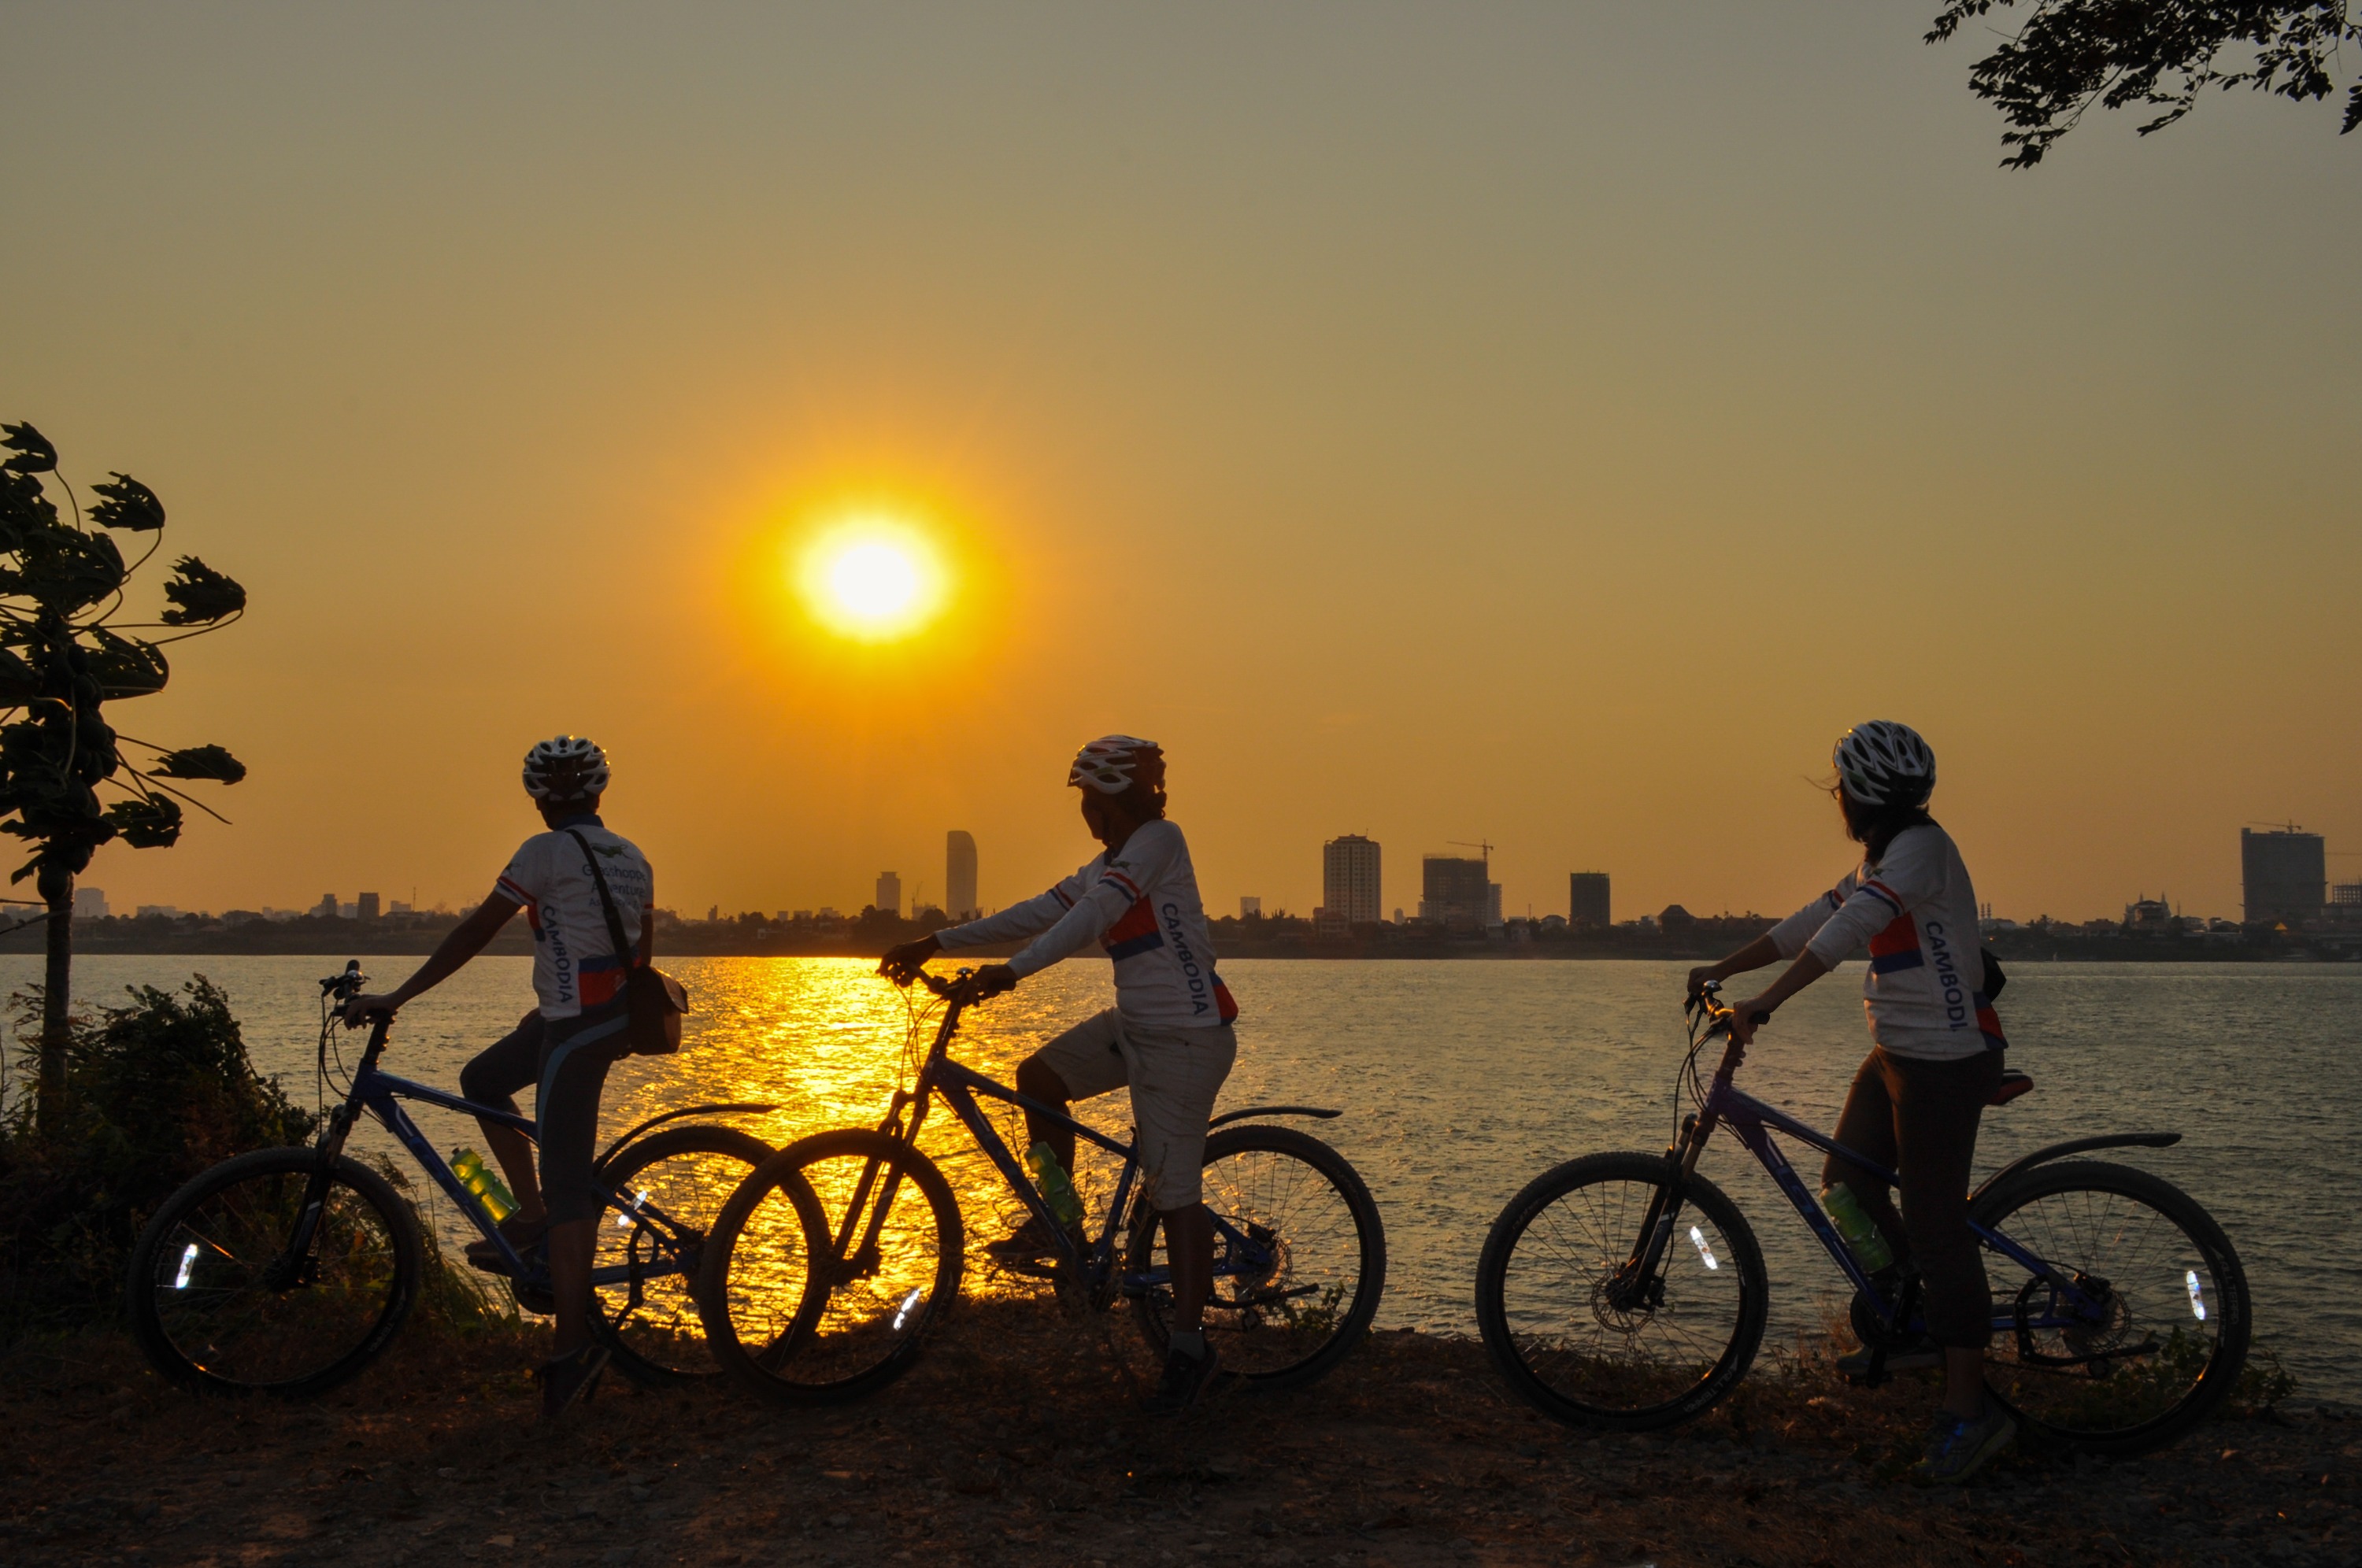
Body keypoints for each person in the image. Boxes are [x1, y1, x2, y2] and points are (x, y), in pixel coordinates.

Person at [1686, 719, 2014, 1485]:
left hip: (1944, 1060)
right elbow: (1813, 921)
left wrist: (1764, 1003)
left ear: (1859, 794)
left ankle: (1973, 1413)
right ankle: (1915, 1324)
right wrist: (1720, 967)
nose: (1837, 800)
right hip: (1897, 1054)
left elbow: (1844, 937)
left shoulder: (1921, 854)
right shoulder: (1886, 856)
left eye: (1840, 789)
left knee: (1936, 1224)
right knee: (1848, 1185)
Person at [879, 735, 1238, 1415]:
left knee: (1175, 1194)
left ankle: (1191, 1351)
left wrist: (1011, 974)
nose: (1082, 811)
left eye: (1086, 799)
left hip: (1186, 1040)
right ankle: (1063, 1225)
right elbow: (1046, 911)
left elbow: (1095, 917)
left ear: (1107, 803)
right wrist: (937, 941)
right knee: (1037, 1079)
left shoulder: (1160, 842)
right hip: (1135, 1030)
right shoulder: (1109, 863)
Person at [344, 735, 657, 1419]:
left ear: (540, 799)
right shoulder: (632, 856)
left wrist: (398, 997)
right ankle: (534, 1216)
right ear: (599, 796)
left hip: (577, 1033)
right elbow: (637, 948)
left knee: (574, 1194)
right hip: (589, 1018)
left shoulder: (543, 852)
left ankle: (571, 1358)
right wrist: (553, 1009)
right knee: (482, 1077)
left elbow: (475, 932)